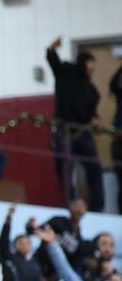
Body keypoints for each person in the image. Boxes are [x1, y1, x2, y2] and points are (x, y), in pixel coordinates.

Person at [46, 39, 103, 211]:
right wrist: (51, 49)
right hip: (64, 130)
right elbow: (53, 61)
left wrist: (95, 119)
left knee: (94, 168)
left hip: (84, 132)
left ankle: (96, 206)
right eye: (91, 63)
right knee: (65, 170)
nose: (93, 67)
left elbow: (92, 111)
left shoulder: (92, 89)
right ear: (84, 63)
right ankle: (69, 205)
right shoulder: (66, 73)